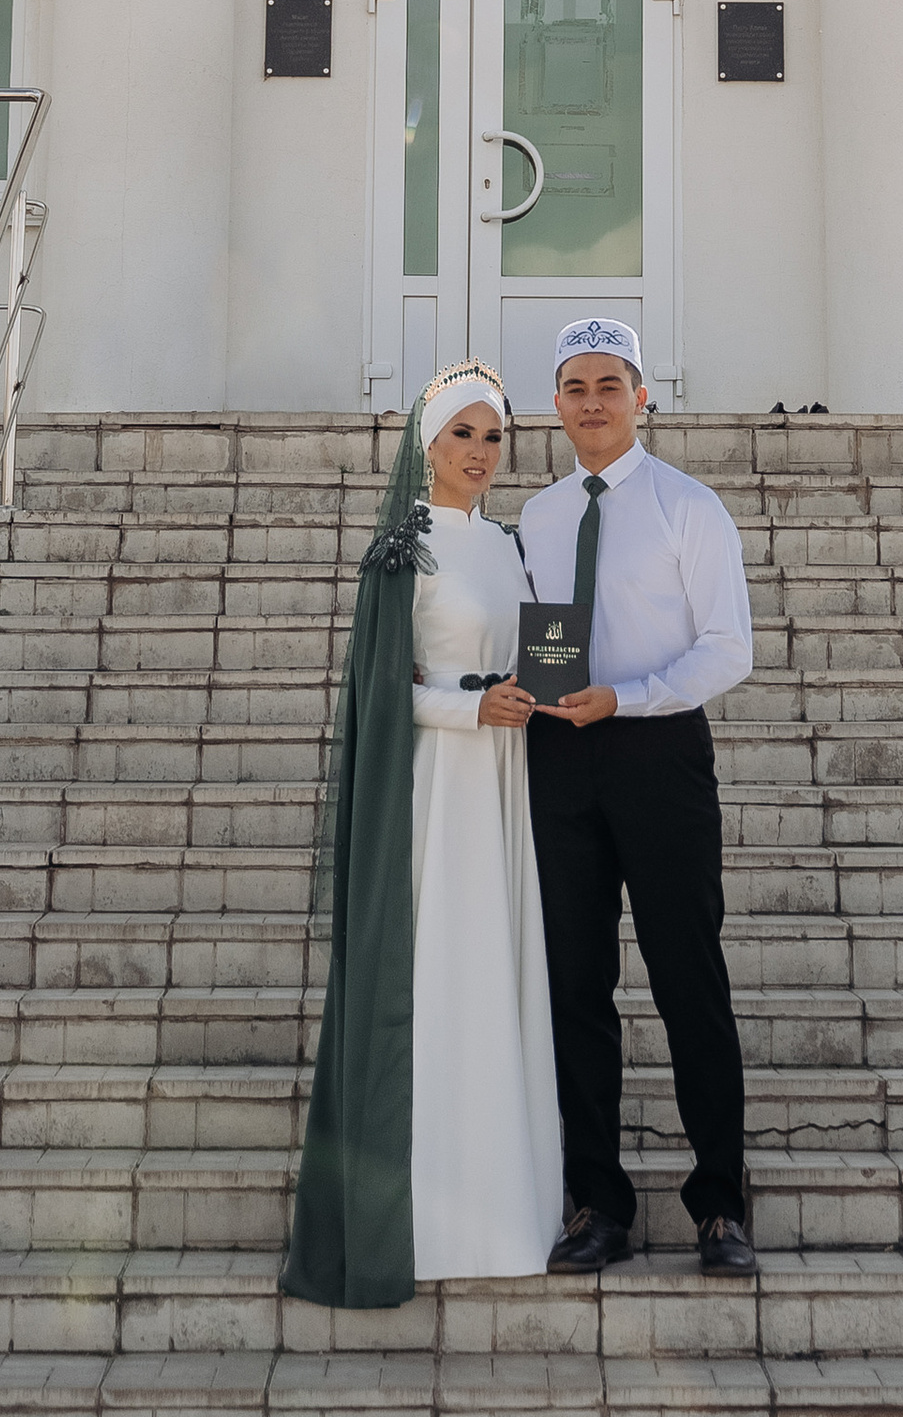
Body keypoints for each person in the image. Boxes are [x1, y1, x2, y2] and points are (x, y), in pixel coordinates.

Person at [281, 363, 565, 1304]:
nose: (480, 454)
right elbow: (375, 693)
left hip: (509, 782)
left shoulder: (513, 546)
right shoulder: (403, 551)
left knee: (502, 975)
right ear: (425, 445)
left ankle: (508, 1206)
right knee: (440, 975)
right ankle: (426, 1222)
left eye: (493, 438)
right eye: (461, 436)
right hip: (439, 788)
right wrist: (466, 713)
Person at [516, 314, 758, 1278]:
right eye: (575, 387)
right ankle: (598, 1206)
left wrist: (632, 697)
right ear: (558, 406)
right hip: (560, 757)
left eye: (609, 384)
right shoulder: (535, 516)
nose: (592, 403)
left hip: (658, 756)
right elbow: (532, 632)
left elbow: (727, 648)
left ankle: (720, 1205)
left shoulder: (689, 507)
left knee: (688, 978)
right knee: (575, 986)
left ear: (643, 397)